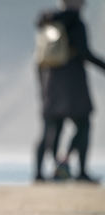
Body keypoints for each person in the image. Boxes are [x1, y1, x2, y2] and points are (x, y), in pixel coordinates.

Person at [34, 0, 105, 183]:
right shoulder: (75, 22)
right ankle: (79, 171)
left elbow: (39, 57)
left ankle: (40, 174)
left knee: (51, 127)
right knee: (83, 125)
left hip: (51, 81)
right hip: (73, 82)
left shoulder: (48, 22)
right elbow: (84, 52)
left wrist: (42, 87)